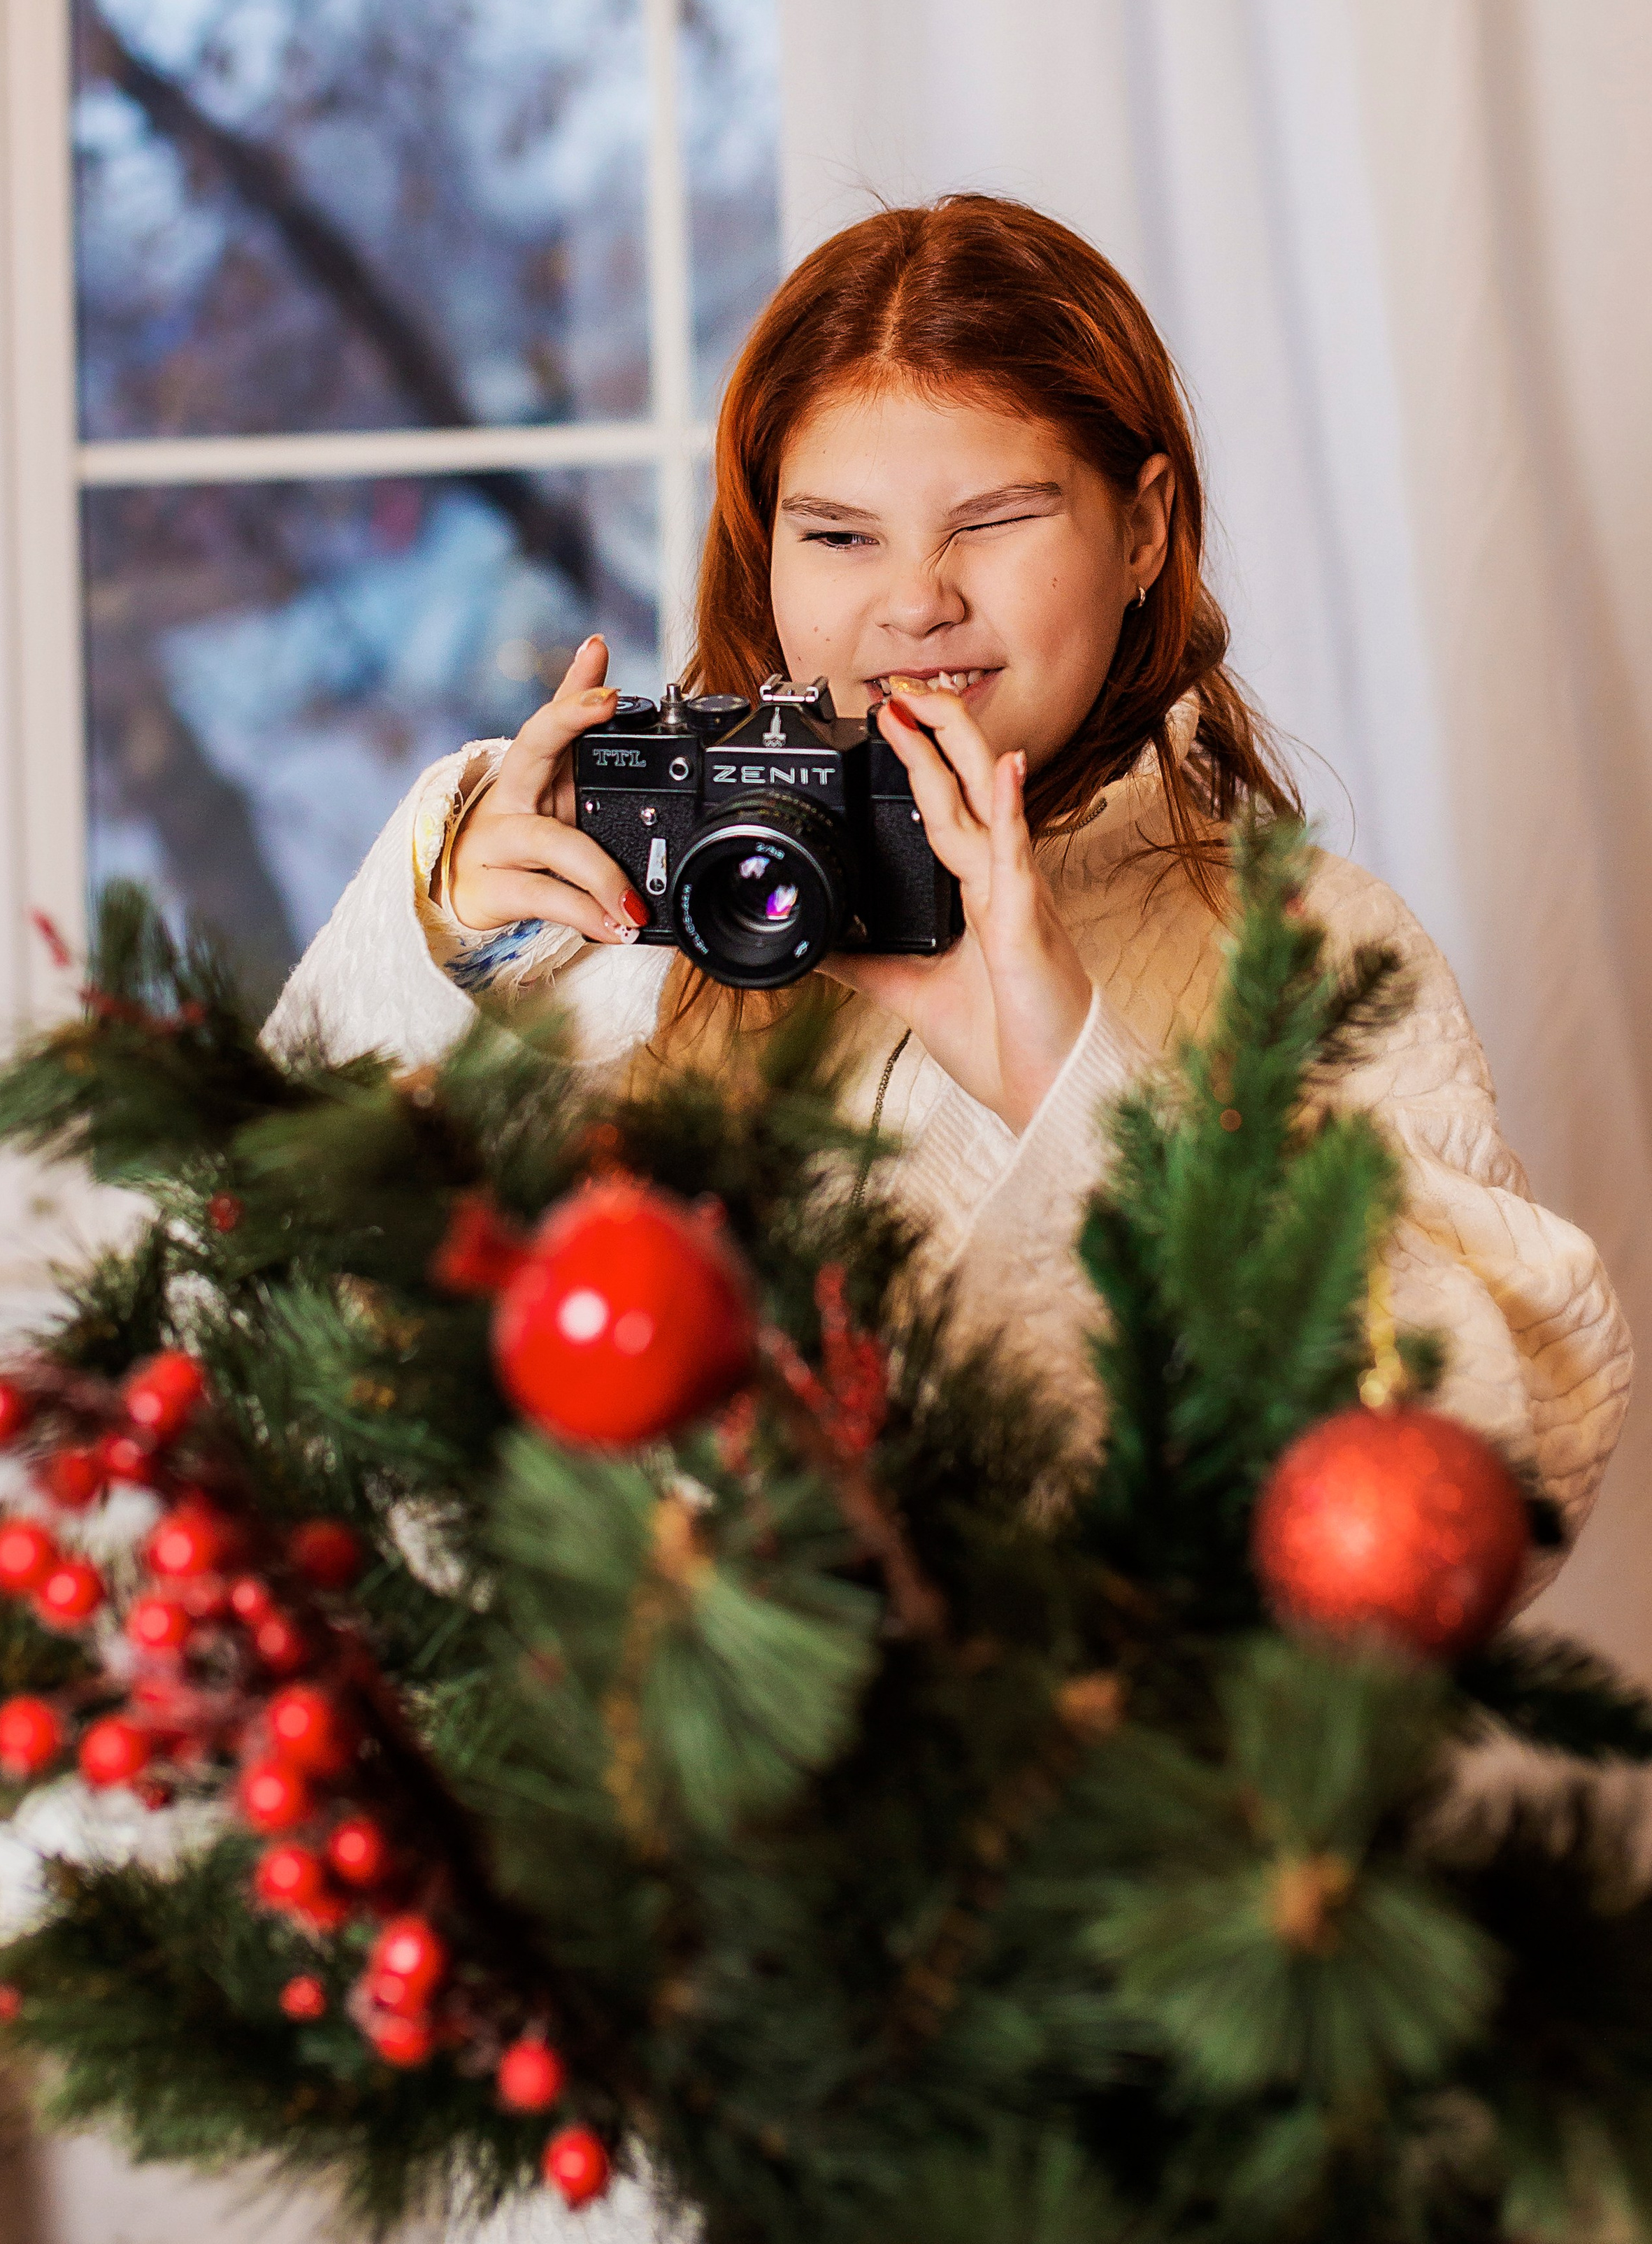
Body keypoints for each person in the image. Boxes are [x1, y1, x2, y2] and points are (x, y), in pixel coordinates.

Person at [266, 195, 1629, 1550]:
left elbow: (1495, 1479)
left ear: (1141, 530)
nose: (915, 598)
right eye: (839, 535)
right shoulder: (594, 910)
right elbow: (253, 1316)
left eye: (992, 518)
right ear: (765, 544)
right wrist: (443, 933)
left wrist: (1071, 1078)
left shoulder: (1309, 951)